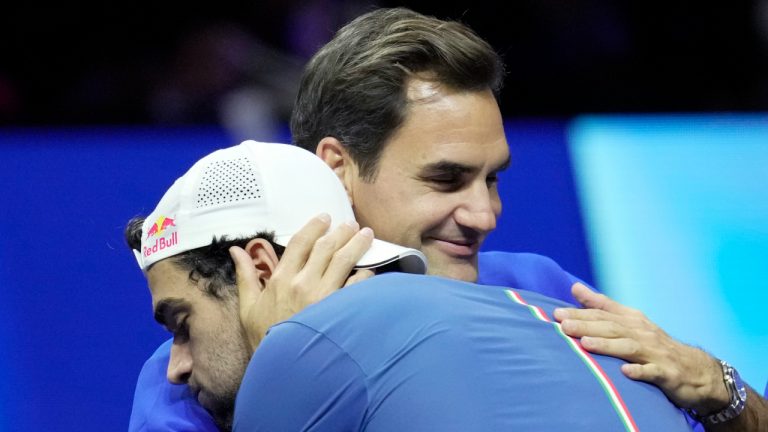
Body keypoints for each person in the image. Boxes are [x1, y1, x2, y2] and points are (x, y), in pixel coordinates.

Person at [128, 7, 767, 431]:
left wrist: (720, 390)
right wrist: (285, 367)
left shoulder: (541, 285)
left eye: (492, 178)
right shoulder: (201, 377)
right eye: (446, 178)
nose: (485, 214)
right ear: (337, 168)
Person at [130, 140, 693, 432]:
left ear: (261, 269)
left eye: (182, 325)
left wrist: (286, 356)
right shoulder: (544, 303)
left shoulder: (299, 360)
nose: (482, 213)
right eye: (447, 178)